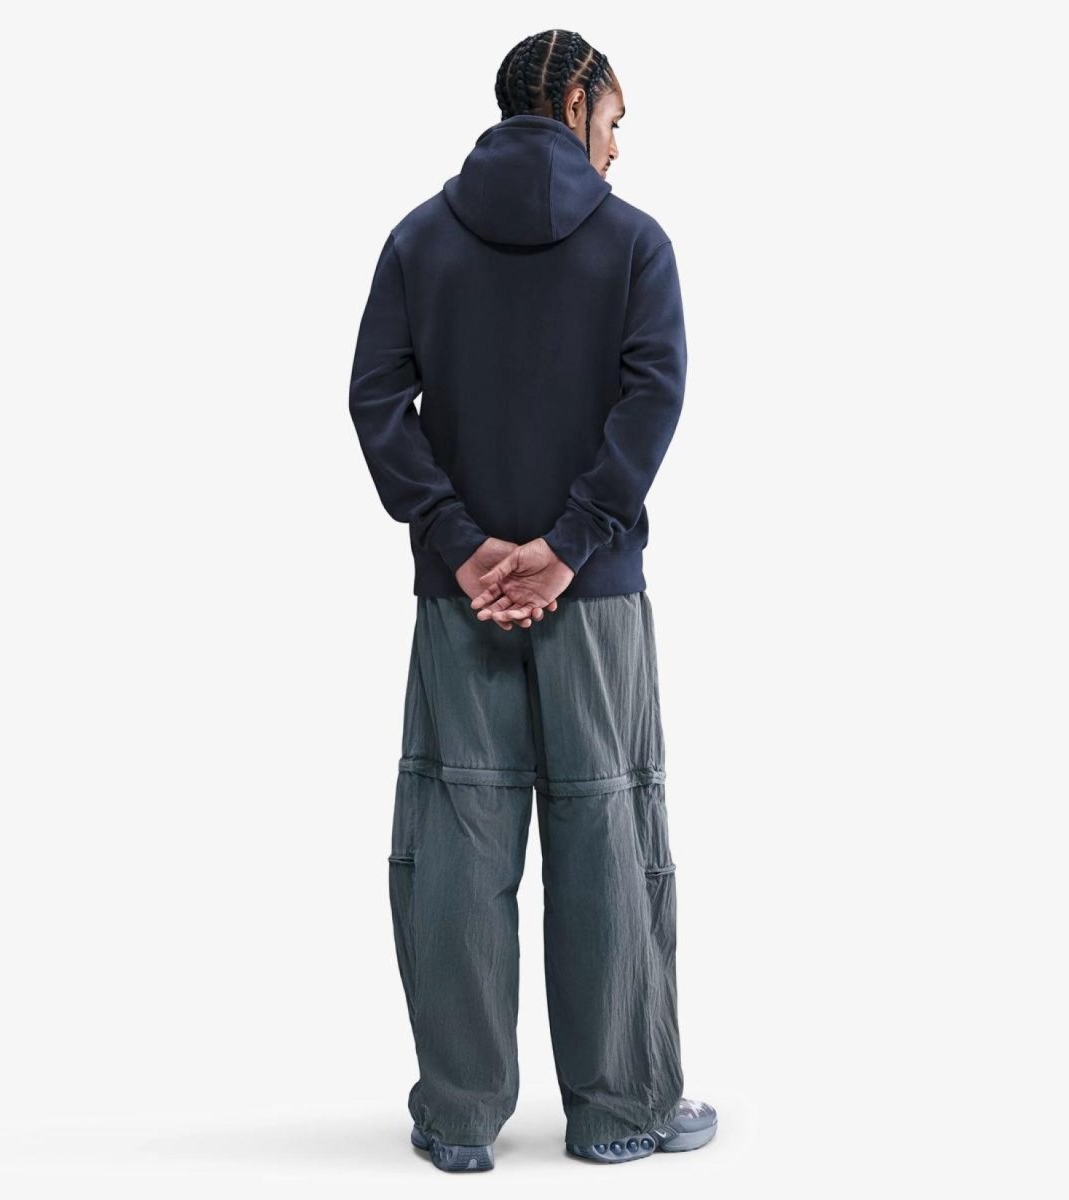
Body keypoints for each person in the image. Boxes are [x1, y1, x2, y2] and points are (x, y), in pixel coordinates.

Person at [348, 29, 717, 1172]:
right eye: (613, 119)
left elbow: (376, 400)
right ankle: (620, 1112)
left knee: (457, 843)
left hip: (461, 601)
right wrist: (568, 546)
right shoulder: (634, 243)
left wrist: (462, 547)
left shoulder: (420, 239)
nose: (616, 146)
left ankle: (460, 1120)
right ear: (572, 102)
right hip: (592, 598)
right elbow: (652, 398)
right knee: (608, 833)